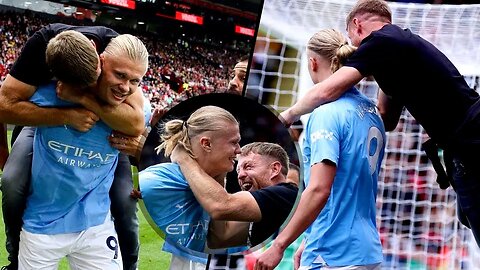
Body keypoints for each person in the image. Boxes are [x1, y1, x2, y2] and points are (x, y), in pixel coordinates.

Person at [279, 0, 480, 247]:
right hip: (465, 140)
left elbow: (325, 91)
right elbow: (387, 118)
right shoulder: (395, 52)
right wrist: (355, 115)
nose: (350, 47)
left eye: (350, 38)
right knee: (467, 214)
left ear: (357, 25)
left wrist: (285, 118)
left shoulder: (382, 40)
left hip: (472, 138)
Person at [0, 24, 145, 270]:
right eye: (120, 77)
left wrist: (82, 98)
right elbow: (4, 105)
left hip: (104, 131)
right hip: (45, 118)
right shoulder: (39, 48)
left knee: (124, 199)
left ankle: (129, 265)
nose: (125, 85)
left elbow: (136, 124)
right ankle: (16, 256)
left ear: (101, 59)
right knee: (12, 181)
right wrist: (64, 116)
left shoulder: (123, 53)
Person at [255, 28, 385, 270]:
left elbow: (319, 189)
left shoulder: (325, 114)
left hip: (333, 253)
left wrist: (279, 245)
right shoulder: (371, 112)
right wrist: (308, 237)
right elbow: (344, 186)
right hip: (367, 251)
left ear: (312, 62)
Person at [139, 105, 242, 269]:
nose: (239, 150)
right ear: (206, 144)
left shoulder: (219, 187)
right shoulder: (157, 182)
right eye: (234, 143)